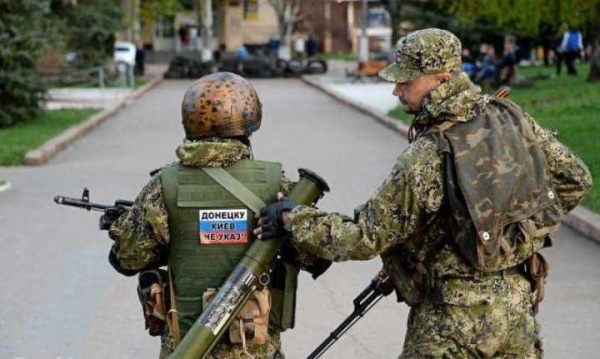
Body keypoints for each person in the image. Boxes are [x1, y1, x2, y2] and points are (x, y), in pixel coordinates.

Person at [255, 28, 592, 358]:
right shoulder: (511, 117)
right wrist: (522, 238)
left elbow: (363, 236)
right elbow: (575, 179)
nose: (397, 91)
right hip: (516, 313)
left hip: (452, 324)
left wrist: (292, 219)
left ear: (442, 80)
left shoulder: (430, 152)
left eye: (407, 81)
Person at [108, 72, 330, 359]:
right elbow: (317, 257)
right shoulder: (279, 186)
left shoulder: (163, 187)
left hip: (187, 347)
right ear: (249, 122)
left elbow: (127, 259)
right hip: (255, 349)